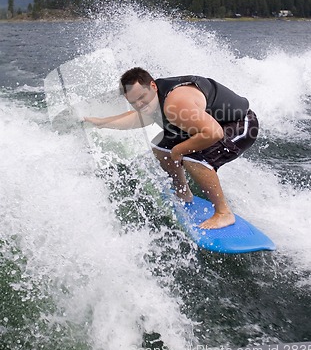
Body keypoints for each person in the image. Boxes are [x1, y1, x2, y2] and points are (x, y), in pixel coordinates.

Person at [83, 67, 259, 230]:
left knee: (194, 159)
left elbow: (214, 133)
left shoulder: (175, 103)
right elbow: (136, 118)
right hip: (207, 124)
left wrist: (179, 151)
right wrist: (101, 123)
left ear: (152, 85)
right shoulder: (153, 99)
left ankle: (224, 213)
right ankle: (183, 193)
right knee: (161, 148)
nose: (140, 104)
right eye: (134, 102)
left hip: (239, 124)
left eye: (142, 97)